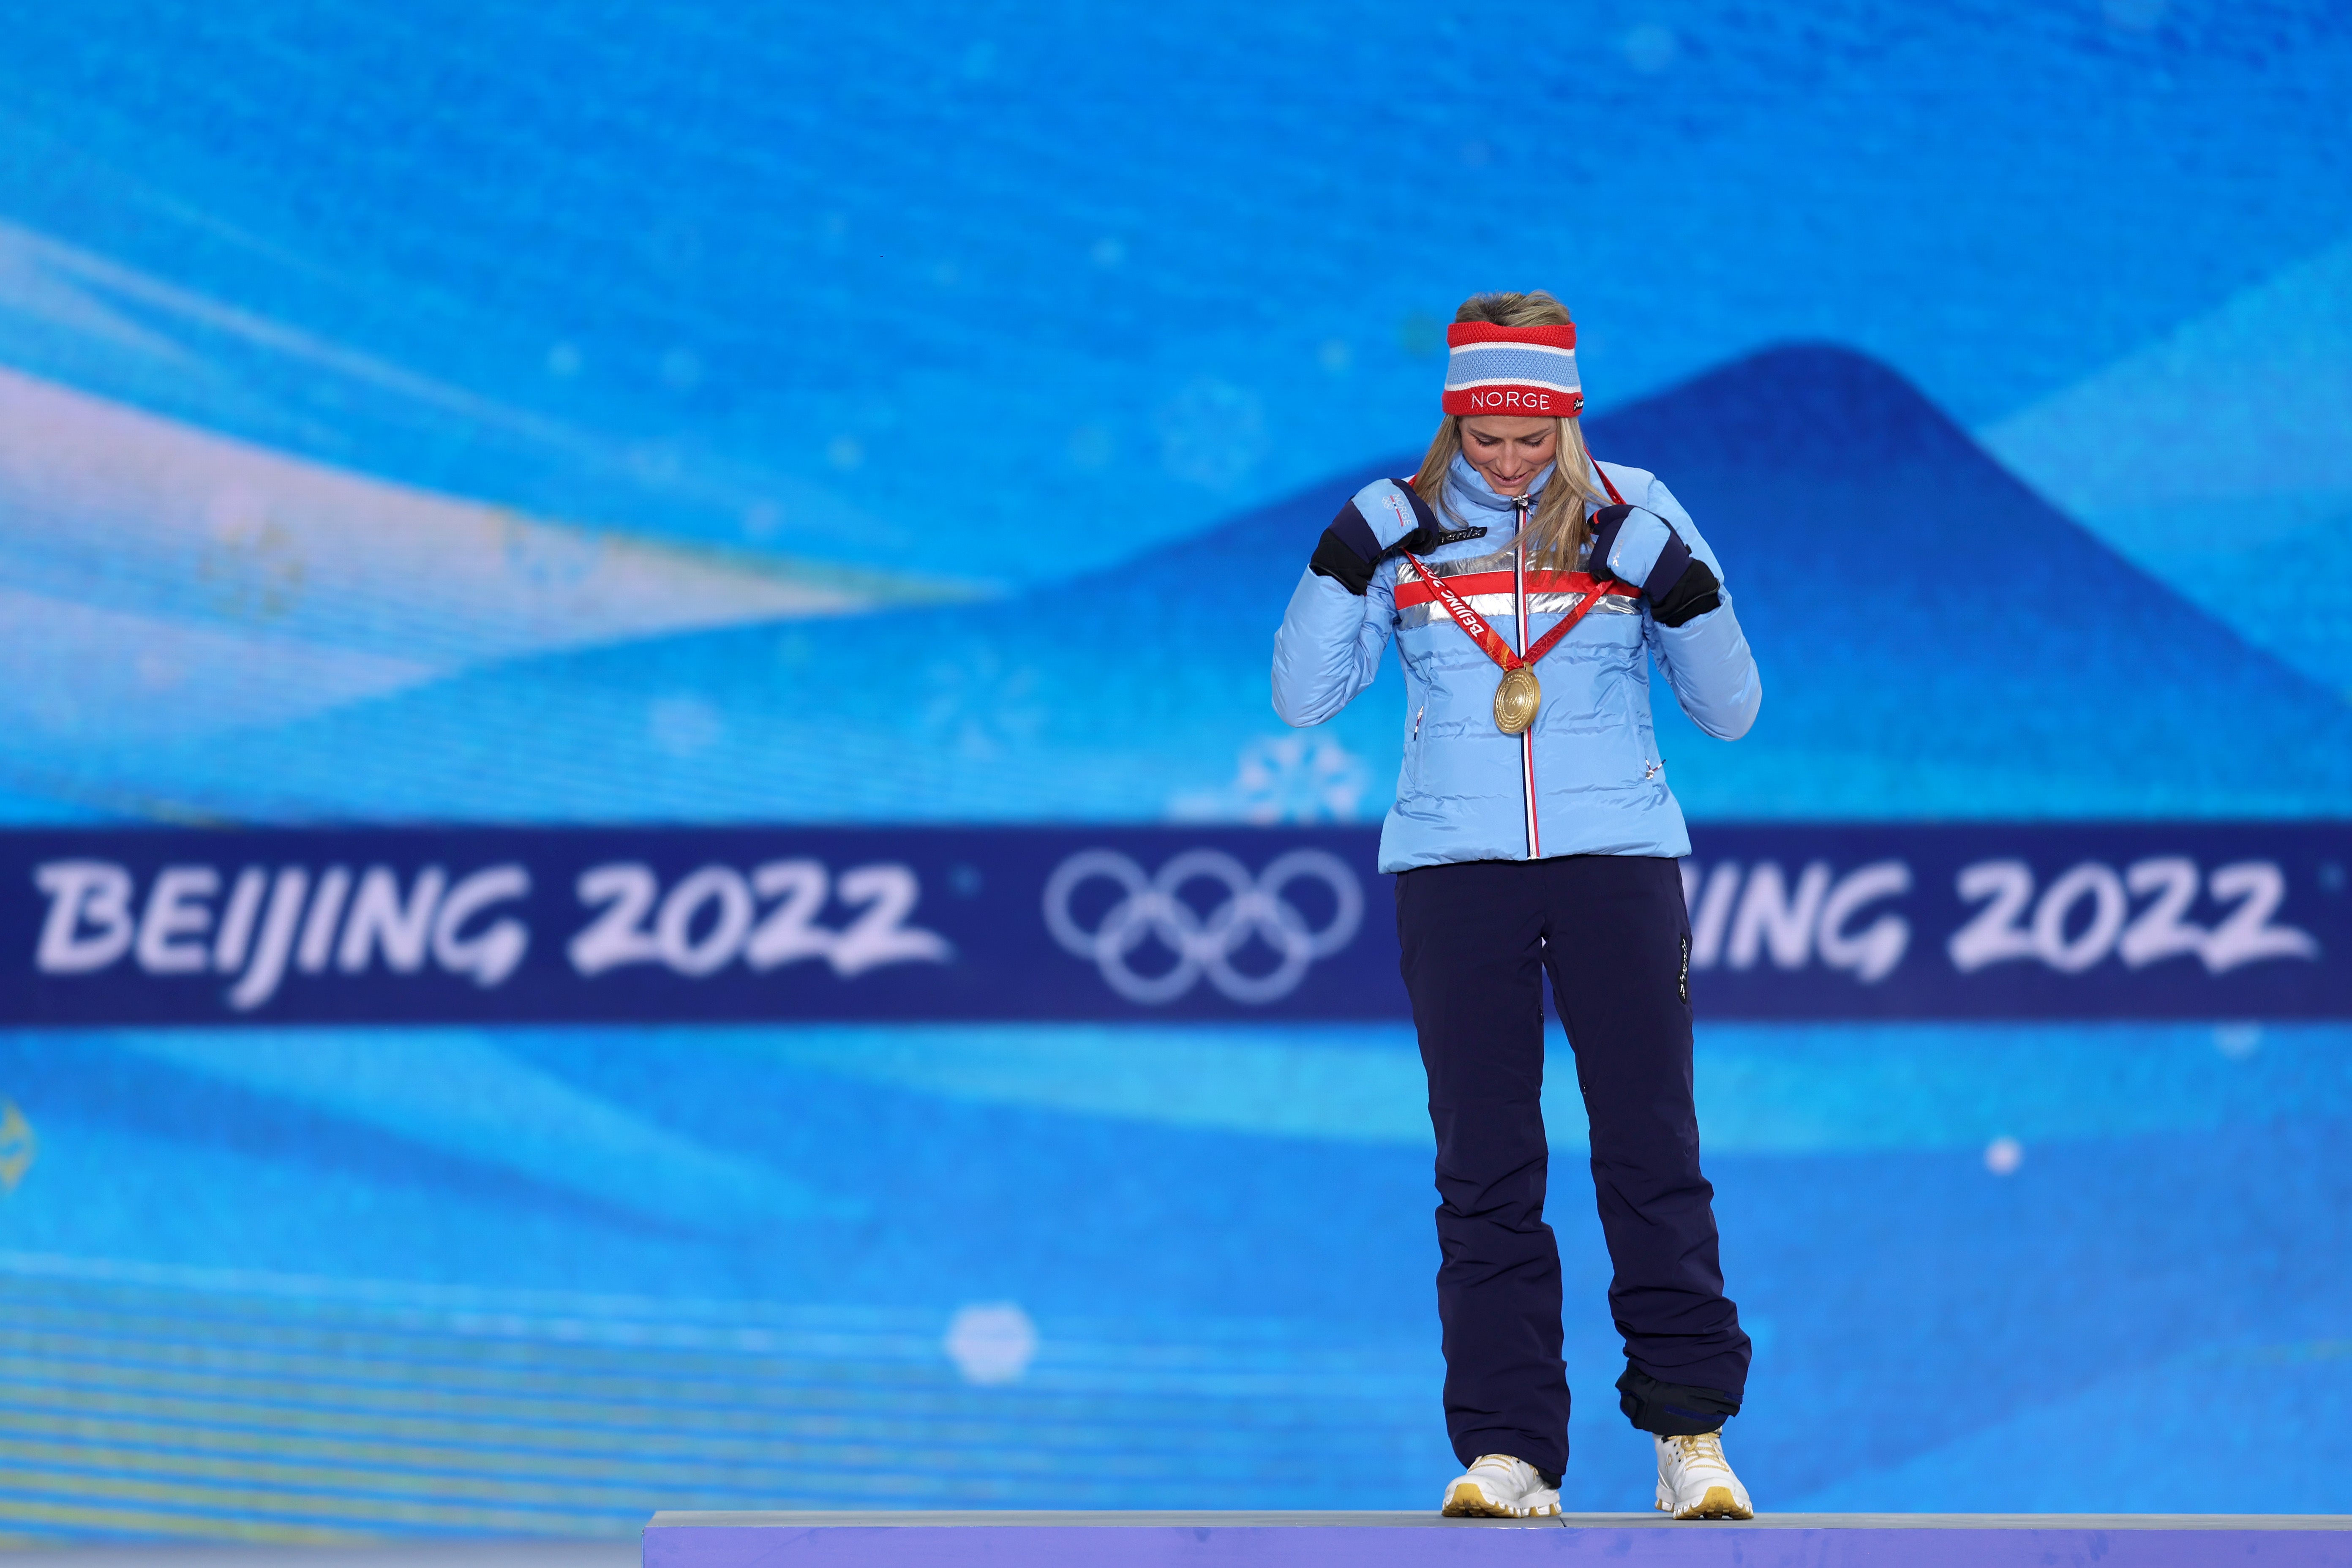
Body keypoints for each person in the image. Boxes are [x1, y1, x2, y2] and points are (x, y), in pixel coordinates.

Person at [1271, 291, 1763, 1520]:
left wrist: (1681, 589)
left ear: (1567, 417)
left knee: (1653, 1149)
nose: (1507, 462)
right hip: (1455, 871)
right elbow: (1302, 700)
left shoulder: (1638, 508)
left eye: (1531, 438)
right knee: (1485, 1168)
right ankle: (1509, 1452)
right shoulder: (1404, 523)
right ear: (1454, 421)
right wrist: (1341, 559)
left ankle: (1689, 1437)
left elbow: (1733, 709)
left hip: (1616, 861)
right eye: (1485, 440)